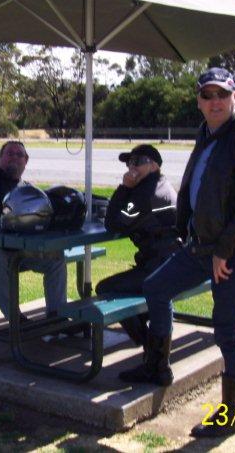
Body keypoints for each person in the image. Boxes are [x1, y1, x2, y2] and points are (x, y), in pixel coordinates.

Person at [119, 67, 235, 439]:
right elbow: (200, 188)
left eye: (222, 94)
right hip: (203, 244)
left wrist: (224, 249)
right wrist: (183, 232)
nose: (215, 101)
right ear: (199, 101)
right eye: (208, 95)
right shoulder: (207, 132)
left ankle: (232, 415)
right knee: (156, 287)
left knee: (229, 330)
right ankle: (157, 366)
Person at [0, 102, 67, 322]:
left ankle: (57, 316)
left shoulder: (27, 190)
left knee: (56, 259)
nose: (14, 157)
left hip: (15, 248)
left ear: (26, 161)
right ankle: (16, 321)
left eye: (20, 155)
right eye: (9, 153)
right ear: (0, 159)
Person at [96, 144, 180, 348]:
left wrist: (124, 187)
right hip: (175, 263)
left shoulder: (145, 194)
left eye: (138, 162)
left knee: (105, 289)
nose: (132, 167)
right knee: (128, 287)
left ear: (154, 166)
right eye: (129, 163)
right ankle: (152, 336)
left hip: (161, 268)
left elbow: (113, 224)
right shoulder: (162, 185)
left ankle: (149, 345)